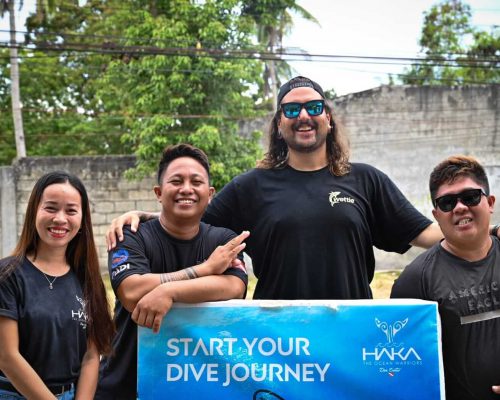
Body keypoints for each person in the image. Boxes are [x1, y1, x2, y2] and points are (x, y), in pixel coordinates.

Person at [106, 76, 498, 300]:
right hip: (279, 339)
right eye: (291, 110)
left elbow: (426, 232)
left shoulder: (365, 179)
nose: (304, 115)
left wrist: (487, 229)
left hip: (349, 332)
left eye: (313, 106)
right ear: (280, 124)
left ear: (328, 117)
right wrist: (145, 217)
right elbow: (189, 224)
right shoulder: (251, 186)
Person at [95, 144, 248, 400]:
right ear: (158, 192)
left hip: (196, 386)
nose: (186, 188)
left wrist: (169, 291)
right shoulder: (129, 235)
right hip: (124, 386)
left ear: (210, 194)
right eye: (176, 181)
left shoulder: (223, 239)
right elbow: (131, 291)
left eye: (195, 181)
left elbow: (234, 287)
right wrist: (206, 270)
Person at [391, 155, 500, 399]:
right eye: (447, 202)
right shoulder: (415, 280)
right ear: (436, 214)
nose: (460, 207)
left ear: (490, 202)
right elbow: (399, 367)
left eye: (470, 197)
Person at [0, 171, 115, 400]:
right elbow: (7, 356)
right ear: (35, 211)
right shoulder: (8, 275)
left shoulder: (88, 280)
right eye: (51, 208)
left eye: (71, 210)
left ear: (82, 220)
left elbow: (92, 356)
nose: (60, 219)